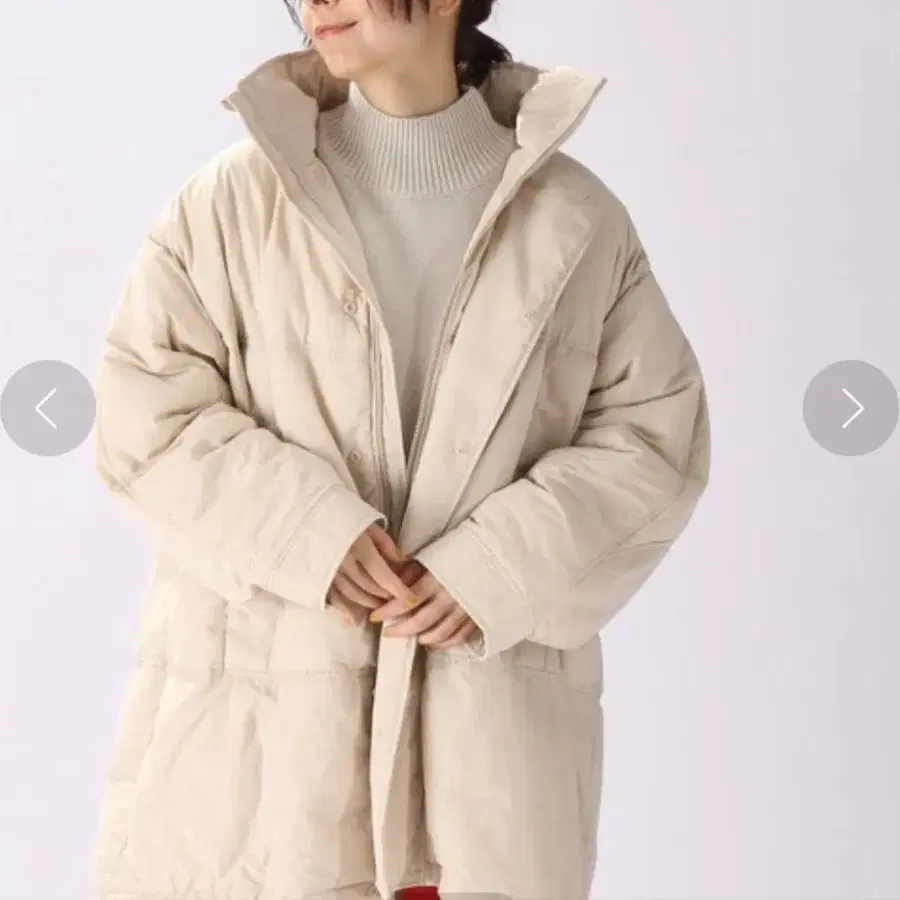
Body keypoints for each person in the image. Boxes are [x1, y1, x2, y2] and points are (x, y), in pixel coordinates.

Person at [89, 0, 711, 898]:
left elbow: (653, 436)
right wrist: (306, 532)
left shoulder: (576, 221)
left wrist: (498, 564)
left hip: (484, 762)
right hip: (265, 761)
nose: (315, 2)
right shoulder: (231, 203)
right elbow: (145, 414)